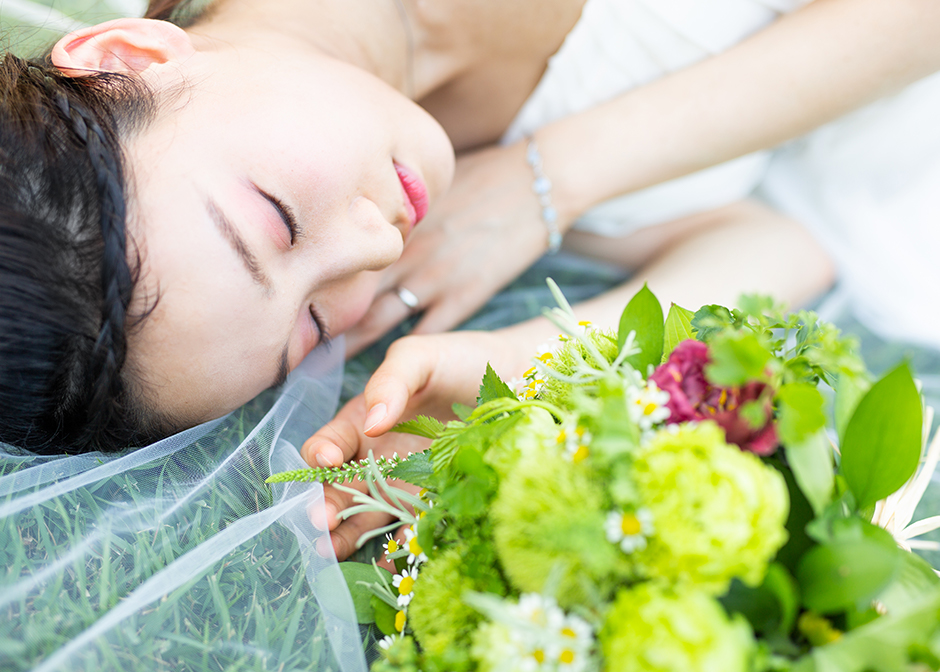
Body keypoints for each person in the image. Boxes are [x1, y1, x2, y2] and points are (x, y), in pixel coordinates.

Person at [0, 2, 937, 495]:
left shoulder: (463, 186)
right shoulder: (423, 187)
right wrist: (526, 360)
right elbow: (785, 244)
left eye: (277, 222)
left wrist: (550, 177)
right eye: (315, 322)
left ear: (132, 58)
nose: (375, 249)